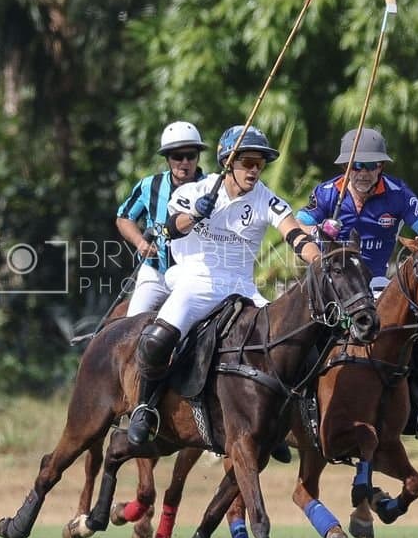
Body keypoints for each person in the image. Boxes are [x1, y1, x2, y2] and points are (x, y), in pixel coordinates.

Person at [126, 125, 322, 446]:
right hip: (196, 280)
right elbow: (172, 228)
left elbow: (294, 234)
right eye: (248, 162)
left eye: (260, 164)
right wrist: (195, 215)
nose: (255, 170)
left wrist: (318, 261)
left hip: (242, 287)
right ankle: (144, 408)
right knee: (157, 339)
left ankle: (286, 417)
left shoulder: (266, 200)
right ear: (228, 162)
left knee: (296, 343)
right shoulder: (194, 191)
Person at [295, 128, 418, 439]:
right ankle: (300, 403)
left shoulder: (398, 193)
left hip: (377, 282)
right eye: (356, 166)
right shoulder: (327, 193)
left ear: (382, 167)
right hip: (335, 283)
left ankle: (417, 406)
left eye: (371, 165)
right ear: (345, 167)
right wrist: (321, 231)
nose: (362, 173)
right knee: (303, 331)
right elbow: (298, 225)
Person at [115, 121, 206, 316]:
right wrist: (140, 242)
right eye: (177, 156)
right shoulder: (150, 185)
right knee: (132, 325)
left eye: (191, 156)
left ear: (198, 157)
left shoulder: (211, 189)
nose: (185, 162)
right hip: (155, 274)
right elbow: (123, 218)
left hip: (195, 276)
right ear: (167, 158)